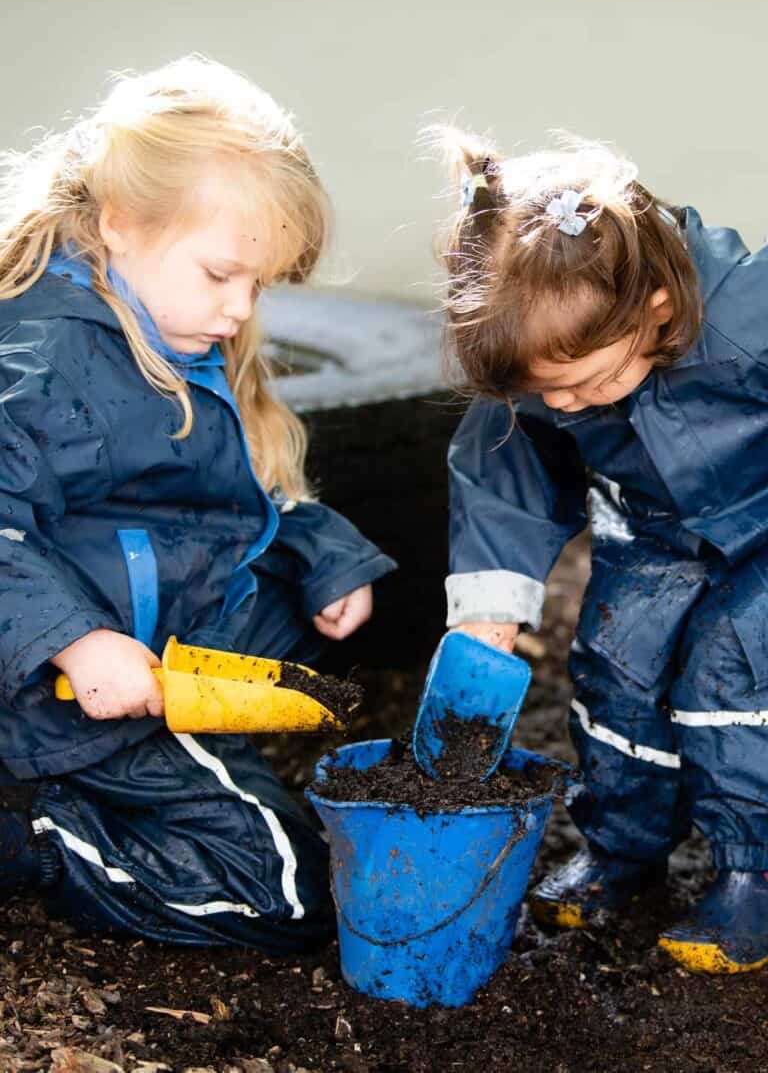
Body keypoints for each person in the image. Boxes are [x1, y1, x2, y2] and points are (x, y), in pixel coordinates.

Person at [0, 56, 395, 952]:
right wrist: (78, 638)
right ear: (119, 224)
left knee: (321, 602)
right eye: (222, 275)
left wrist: (320, 552)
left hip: (154, 621)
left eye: (261, 283)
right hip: (67, 692)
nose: (241, 306)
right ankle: (34, 834)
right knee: (286, 897)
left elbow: (212, 505)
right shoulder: (47, 360)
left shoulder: (164, 319)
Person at [435, 129, 768, 974]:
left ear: (656, 305)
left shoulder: (748, 323)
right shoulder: (550, 359)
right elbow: (502, 469)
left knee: (727, 678)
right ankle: (623, 849)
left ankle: (749, 871)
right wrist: (488, 613)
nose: (561, 401)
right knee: (616, 670)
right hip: (651, 526)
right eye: (542, 387)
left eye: (581, 384)